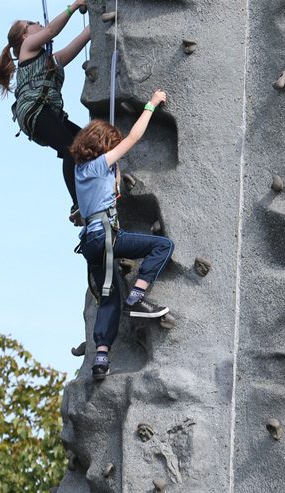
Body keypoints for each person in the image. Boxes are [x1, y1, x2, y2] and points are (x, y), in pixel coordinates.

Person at [69, 90, 174, 381]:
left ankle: (101, 358)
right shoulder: (99, 164)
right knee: (162, 246)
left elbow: (99, 198)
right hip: (106, 238)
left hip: (91, 243)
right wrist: (151, 106)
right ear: (103, 146)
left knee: (108, 298)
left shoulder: (81, 171)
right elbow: (133, 138)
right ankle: (137, 298)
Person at [0, 1, 91, 221]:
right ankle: (76, 205)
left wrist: (96, 24)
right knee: (71, 148)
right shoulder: (27, 49)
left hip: (47, 113)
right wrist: (75, 6)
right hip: (35, 110)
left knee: (90, 143)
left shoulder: (52, 60)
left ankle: (93, 193)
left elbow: (82, 39)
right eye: (32, 24)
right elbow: (52, 30)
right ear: (24, 36)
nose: (38, 24)